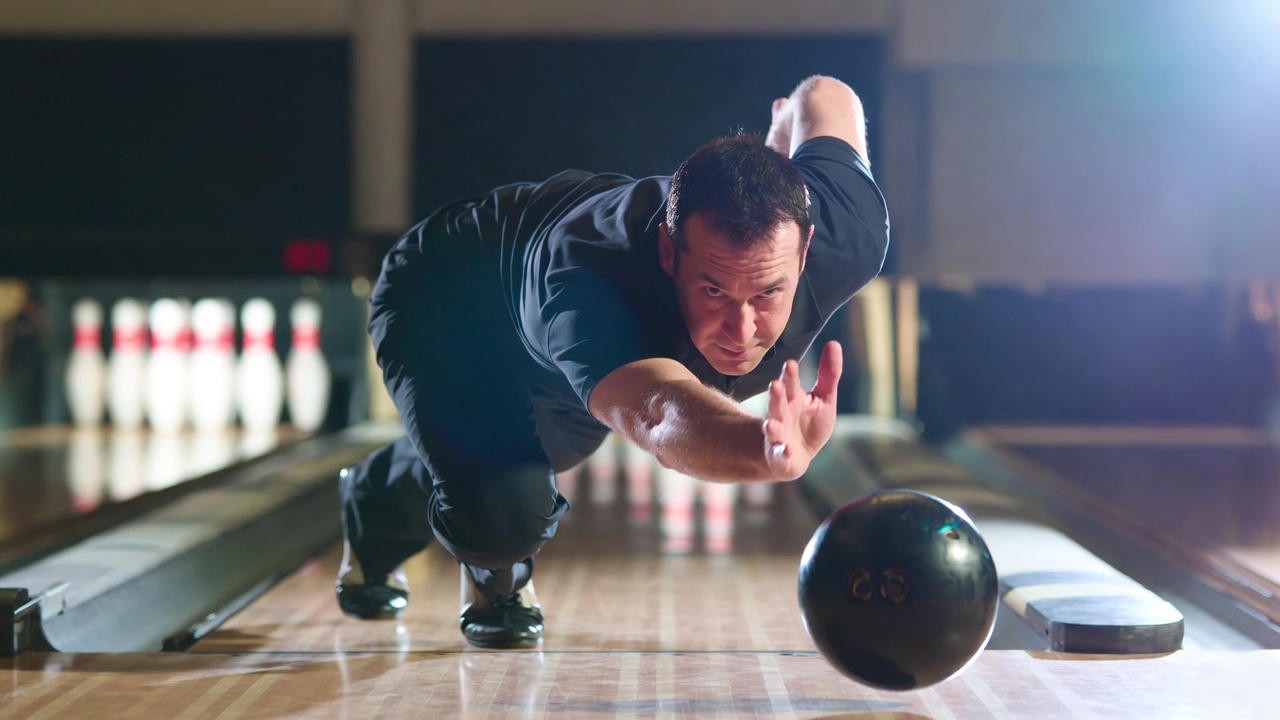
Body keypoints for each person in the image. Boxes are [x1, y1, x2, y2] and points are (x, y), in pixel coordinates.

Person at [337, 75, 890, 648]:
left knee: (540, 450)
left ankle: (383, 486)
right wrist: (764, 452)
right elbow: (658, 415)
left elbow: (824, 94)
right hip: (449, 300)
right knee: (506, 519)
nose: (743, 330)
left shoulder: (848, 231)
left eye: (768, 293)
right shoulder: (593, 286)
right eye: (715, 292)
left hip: (556, 346)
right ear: (669, 254)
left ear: (805, 253)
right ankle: (478, 567)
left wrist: (779, 137)